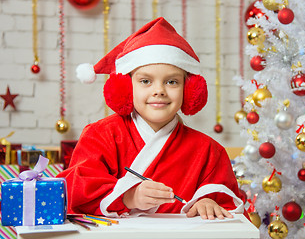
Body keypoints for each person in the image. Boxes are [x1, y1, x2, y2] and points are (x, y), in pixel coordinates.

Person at [57, 17, 248, 220]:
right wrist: (128, 196)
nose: (159, 91)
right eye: (145, 81)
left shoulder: (209, 151)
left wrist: (209, 202)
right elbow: (73, 189)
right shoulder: (100, 135)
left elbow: (227, 204)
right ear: (125, 87)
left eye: (172, 81)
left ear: (190, 89)